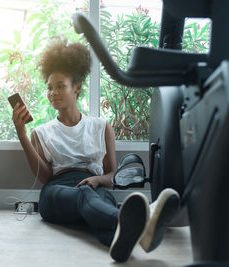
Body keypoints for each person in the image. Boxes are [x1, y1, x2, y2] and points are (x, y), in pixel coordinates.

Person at [11, 38, 180, 262]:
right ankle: (145, 220)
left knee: (95, 207)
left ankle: (124, 242)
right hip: (57, 192)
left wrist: (98, 181)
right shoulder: (41, 132)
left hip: (94, 186)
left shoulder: (101, 126)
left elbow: (112, 176)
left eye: (60, 86)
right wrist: (22, 133)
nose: (53, 93)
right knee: (87, 198)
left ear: (77, 87)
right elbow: (44, 177)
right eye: (50, 88)